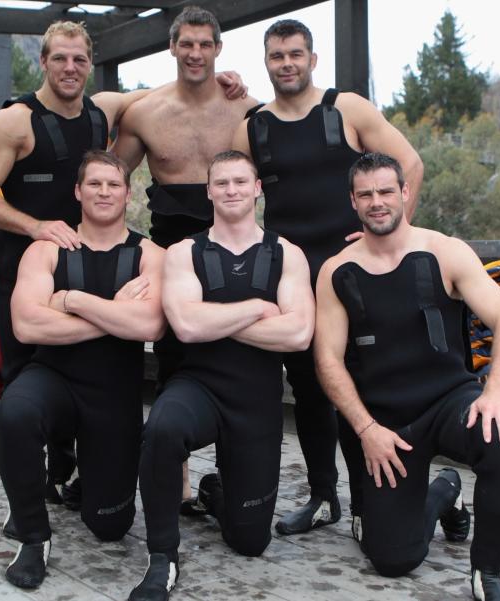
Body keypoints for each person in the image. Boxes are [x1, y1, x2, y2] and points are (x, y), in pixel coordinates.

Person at [0, 20, 244, 504]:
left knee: (93, 372)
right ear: (43, 60)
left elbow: (166, 90)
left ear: (90, 66)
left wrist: (216, 79)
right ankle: (33, 489)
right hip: (28, 263)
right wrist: (35, 227)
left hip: (90, 261)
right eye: (59, 59)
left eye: (79, 60)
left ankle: (75, 472)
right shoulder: (13, 121)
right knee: (28, 382)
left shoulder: (102, 111)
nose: (70, 68)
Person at [230, 19, 424, 536]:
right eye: (276, 56)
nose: (287, 63)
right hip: (291, 276)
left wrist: (386, 240)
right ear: (266, 63)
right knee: (311, 390)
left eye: (296, 54)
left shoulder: (347, 108)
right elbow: (233, 197)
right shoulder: (252, 127)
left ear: (313, 60)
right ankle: (323, 497)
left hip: (353, 270)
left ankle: (369, 501)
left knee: (364, 385)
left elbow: (409, 164)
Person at [314, 152, 500, 601]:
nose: (377, 202)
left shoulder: (445, 251)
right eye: (366, 194)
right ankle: (445, 491)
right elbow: (328, 361)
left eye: (386, 191)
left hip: (450, 401)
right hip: (387, 424)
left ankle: (486, 574)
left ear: (405, 193)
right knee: (393, 559)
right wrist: (367, 428)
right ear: (353, 201)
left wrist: (496, 393)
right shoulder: (336, 271)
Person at [127, 151, 314, 601]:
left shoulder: (286, 253)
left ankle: (214, 490)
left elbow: (300, 333)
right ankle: (162, 557)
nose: (231, 190)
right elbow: (187, 328)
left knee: (250, 542)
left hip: (257, 400)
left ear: (257, 189)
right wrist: (256, 308)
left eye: (240, 182)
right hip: (198, 388)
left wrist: (216, 319)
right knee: (163, 428)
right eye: (221, 183)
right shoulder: (184, 252)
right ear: (208, 191)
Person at [0, 150, 165, 589]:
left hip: (114, 392)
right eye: (94, 184)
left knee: (110, 526)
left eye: (113, 184)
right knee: (14, 413)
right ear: (77, 191)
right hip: (53, 377)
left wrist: (71, 301)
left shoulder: (149, 254)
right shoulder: (47, 249)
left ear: (128, 194)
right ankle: (33, 537)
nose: (104, 192)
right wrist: (113, 318)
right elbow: (27, 323)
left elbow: (149, 325)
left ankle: (86, 480)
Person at [112, 5, 260, 506]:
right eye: (186, 44)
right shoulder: (145, 112)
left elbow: (286, 169)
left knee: (240, 358)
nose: (195, 53)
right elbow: (110, 180)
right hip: (173, 252)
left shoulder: (245, 109)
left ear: (219, 49)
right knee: (175, 363)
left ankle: (232, 476)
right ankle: (173, 480)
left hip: (238, 250)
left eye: (205, 44)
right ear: (171, 48)